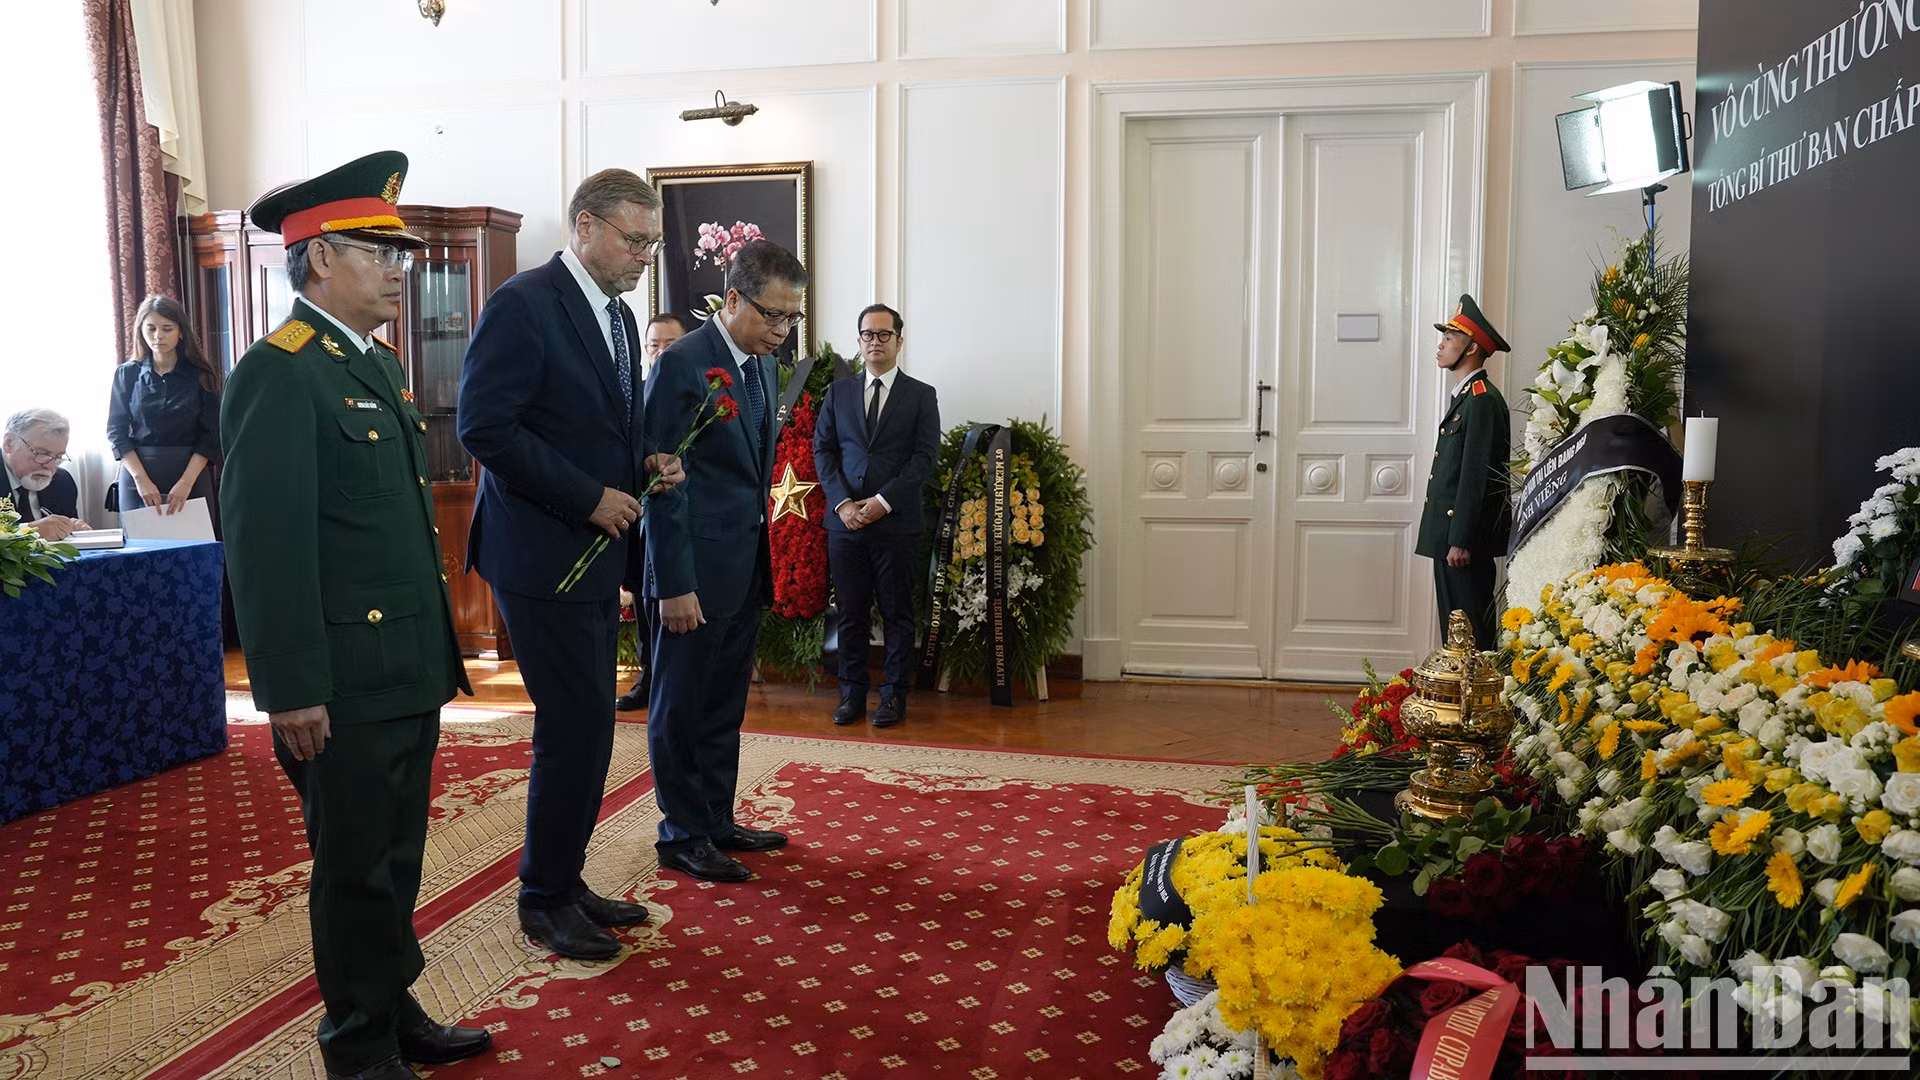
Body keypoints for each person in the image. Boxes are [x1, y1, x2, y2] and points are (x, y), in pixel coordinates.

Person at [220, 150, 487, 1080]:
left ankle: (391, 1004)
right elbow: (267, 546)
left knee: (395, 857)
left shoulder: (370, 364)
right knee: (354, 868)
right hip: (339, 678)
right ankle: (357, 1045)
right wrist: (289, 686)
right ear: (321, 257)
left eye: (400, 253)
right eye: (379, 251)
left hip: (404, 667)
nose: (397, 268)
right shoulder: (282, 372)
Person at [457, 168, 685, 962]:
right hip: (541, 552)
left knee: (588, 729)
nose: (645, 256)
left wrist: (644, 461)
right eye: (635, 239)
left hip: (594, 550)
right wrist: (588, 496)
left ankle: (566, 877)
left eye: (652, 241)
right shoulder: (523, 304)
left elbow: (594, 422)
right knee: (574, 728)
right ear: (585, 225)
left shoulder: (621, 318)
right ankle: (543, 898)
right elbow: (484, 427)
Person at [643, 238, 804, 884]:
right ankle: (680, 834)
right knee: (680, 706)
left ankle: (714, 818)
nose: (784, 331)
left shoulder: (762, 366)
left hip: (743, 567)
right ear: (733, 299)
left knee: (722, 704)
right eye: (773, 315)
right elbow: (660, 480)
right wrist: (674, 583)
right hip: (692, 576)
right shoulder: (684, 364)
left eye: (792, 317)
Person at [813, 304, 941, 728]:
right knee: (849, 614)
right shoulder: (839, 393)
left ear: (899, 342)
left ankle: (893, 696)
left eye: (884, 335)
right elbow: (824, 451)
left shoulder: (921, 395)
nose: (875, 341)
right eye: (868, 334)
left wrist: (882, 502)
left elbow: (925, 459)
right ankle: (851, 695)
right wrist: (844, 504)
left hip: (896, 524)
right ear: (859, 341)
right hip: (844, 524)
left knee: (897, 614)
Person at [1417, 294, 1513, 652]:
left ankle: (1480, 705)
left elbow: (1478, 476)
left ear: (1471, 348)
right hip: (1450, 538)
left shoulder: (1483, 400)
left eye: (1449, 339)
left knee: (1472, 634)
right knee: (1456, 634)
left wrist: (1462, 538)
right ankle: (1461, 703)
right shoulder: (1467, 397)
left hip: (1462, 543)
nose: (1440, 346)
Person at [615, 312, 688, 712]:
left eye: (670, 345)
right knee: (644, 604)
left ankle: (676, 687)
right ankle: (648, 678)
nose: (660, 353)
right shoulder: (632, 394)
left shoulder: (699, 396)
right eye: (653, 345)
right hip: (637, 520)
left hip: (681, 522)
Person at [107, 294, 223, 516]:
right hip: (137, 476)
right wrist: (141, 480)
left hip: (191, 475)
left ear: (181, 332)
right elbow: (116, 432)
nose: (158, 336)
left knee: (194, 547)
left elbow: (211, 436)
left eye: (167, 328)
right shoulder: (127, 374)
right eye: (150, 328)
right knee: (141, 548)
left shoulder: (202, 376)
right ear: (141, 330)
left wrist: (186, 483)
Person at [2, 408, 90, 540]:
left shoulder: (62, 482)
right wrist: (28, 532)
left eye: (58, 456)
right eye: (42, 453)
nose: (49, 465)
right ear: (9, 444)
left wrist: (73, 529)